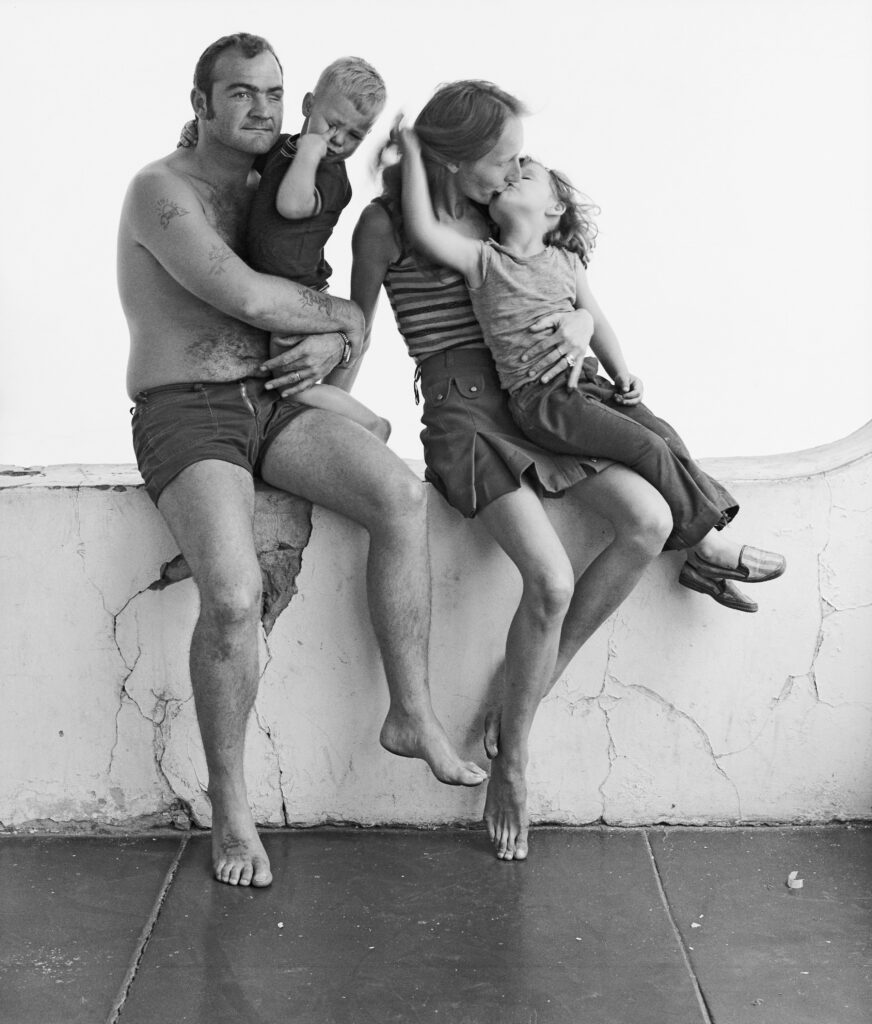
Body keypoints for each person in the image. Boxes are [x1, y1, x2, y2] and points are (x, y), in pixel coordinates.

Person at [118, 34, 487, 889]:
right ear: (201, 101)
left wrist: (334, 333)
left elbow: (332, 257)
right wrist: (345, 323)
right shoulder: (161, 190)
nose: (259, 108)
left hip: (276, 404)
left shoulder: (277, 183)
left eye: (273, 94)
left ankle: (410, 712)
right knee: (237, 592)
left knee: (399, 495)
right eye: (239, 93)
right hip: (190, 411)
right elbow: (244, 296)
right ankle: (232, 809)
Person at [351, 80, 676, 863]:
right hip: (467, 418)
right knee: (552, 581)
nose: (516, 167)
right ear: (454, 162)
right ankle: (516, 763)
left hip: (538, 402)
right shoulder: (390, 224)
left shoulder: (508, 214)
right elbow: (356, 334)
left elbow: (565, 282)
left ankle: (531, 678)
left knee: (651, 522)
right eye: (500, 157)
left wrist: (578, 319)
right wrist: (328, 411)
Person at [398, 139, 786, 603]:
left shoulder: (567, 262)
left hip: (589, 386)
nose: (514, 172)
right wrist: (412, 155)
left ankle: (703, 557)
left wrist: (623, 373)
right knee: (646, 446)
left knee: (662, 433)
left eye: (527, 171)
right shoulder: (484, 260)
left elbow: (596, 319)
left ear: (555, 207)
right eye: (509, 170)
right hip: (543, 401)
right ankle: (708, 546)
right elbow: (422, 228)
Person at [244, 55, 391, 439]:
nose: (338, 139)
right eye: (332, 124)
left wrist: (312, 150)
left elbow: (291, 204)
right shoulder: (283, 148)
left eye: (356, 135)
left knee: (293, 382)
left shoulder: (329, 175)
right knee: (283, 382)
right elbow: (239, 155)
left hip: (302, 296)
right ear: (309, 106)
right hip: (276, 288)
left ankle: (369, 425)